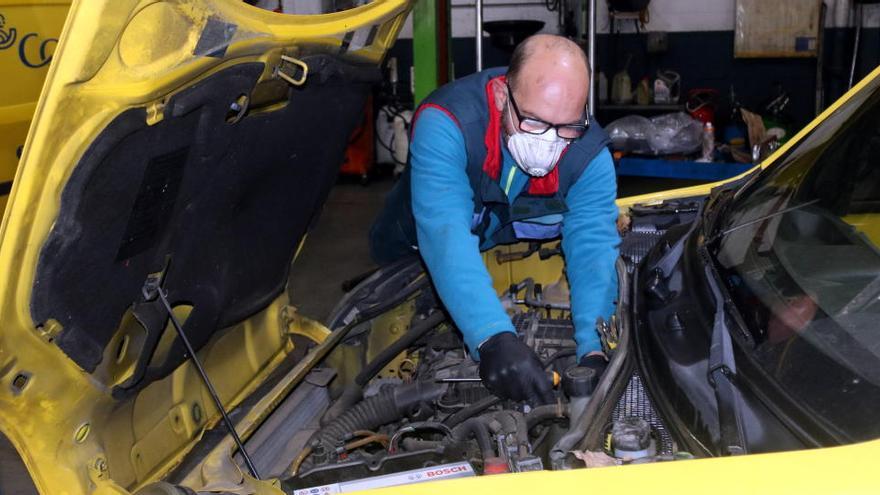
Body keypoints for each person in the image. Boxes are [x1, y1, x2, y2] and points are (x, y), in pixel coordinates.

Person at [370, 34, 620, 403]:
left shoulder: (589, 156)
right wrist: (492, 336)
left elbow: (593, 251)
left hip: (499, 252)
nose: (549, 143)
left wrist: (595, 352)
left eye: (566, 126)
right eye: (534, 122)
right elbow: (445, 234)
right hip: (412, 252)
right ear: (504, 95)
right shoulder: (448, 123)